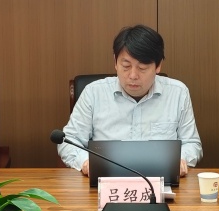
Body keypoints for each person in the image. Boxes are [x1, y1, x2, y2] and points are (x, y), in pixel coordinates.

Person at [58, 24, 202, 176]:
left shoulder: (178, 93)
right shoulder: (93, 93)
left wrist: (180, 160)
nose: (133, 75)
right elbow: (69, 141)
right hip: (106, 180)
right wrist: (85, 161)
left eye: (142, 68)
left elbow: (192, 144)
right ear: (115, 62)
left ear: (158, 66)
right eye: (126, 66)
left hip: (160, 179)